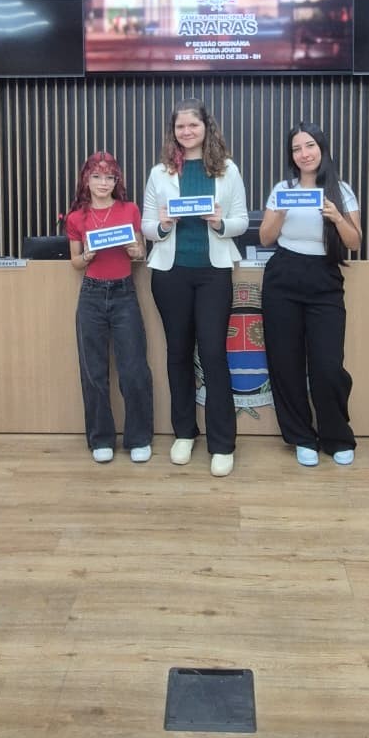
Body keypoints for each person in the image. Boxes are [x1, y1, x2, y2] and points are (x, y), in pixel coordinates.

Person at [142, 98, 249, 477]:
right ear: (173, 131)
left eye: (193, 125)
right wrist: (163, 225)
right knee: (178, 354)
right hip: (170, 274)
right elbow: (146, 226)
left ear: (206, 127)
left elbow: (241, 220)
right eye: (180, 126)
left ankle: (222, 443)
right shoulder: (159, 173)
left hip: (213, 274)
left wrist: (219, 222)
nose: (186, 132)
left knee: (214, 355)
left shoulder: (227, 169)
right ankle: (184, 433)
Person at [259, 123, 362, 468]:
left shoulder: (341, 191)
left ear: (322, 148)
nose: (304, 154)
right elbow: (265, 238)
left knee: (327, 366)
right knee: (286, 363)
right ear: (291, 156)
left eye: (309, 146)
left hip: (324, 278)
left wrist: (336, 217)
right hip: (284, 275)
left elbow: (354, 242)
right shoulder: (282, 190)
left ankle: (336, 436)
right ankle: (301, 436)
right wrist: (281, 211)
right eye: (296, 148)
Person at [66, 151, 154, 464]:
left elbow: (141, 253)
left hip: (124, 293)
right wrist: (87, 256)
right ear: (86, 180)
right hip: (91, 295)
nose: (103, 183)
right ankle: (100, 438)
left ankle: (139, 438)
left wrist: (135, 250)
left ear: (117, 181)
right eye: (97, 177)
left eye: (109, 177)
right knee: (94, 371)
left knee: (134, 369)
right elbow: (75, 262)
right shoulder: (76, 217)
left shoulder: (130, 209)